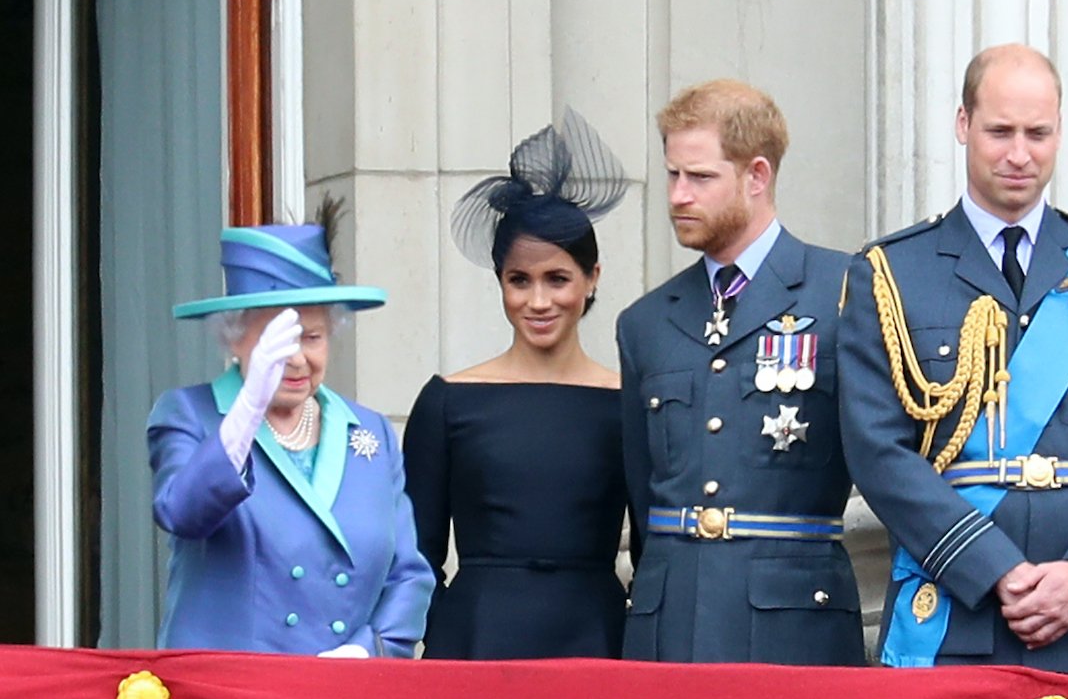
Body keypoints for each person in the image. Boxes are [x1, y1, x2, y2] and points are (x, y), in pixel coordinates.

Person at [839, 44, 1068, 672]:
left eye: (1037, 133)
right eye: (1000, 131)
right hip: (952, 610)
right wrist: (990, 566)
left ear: (1059, 131)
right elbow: (876, 450)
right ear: (963, 124)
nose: (1019, 154)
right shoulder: (892, 272)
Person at [616, 80, 864, 664]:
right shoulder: (645, 322)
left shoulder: (846, 291)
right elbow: (642, 490)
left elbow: (885, 460)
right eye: (673, 174)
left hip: (794, 623)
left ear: (757, 176)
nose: (678, 194)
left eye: (700, 177)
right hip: (670, 621)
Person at [149, 210, 434, 656]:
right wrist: (249, 406)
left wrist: (367, 651)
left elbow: (409, 575)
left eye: (312, 337)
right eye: (277, 342)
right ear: (233, 339)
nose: (297, 358)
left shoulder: (371, 432)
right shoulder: (191, 414)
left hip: (338, 695)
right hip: (228, 696)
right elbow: (182, 511)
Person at [403, 109, 631, 659]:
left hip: (599, 644)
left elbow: (654, 557)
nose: (538, 301)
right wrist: (441, 635)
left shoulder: (630, 404)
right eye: (519, 281)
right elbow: (416, 555)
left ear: (591, 278)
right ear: (500, 282)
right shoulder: (448, 401)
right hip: (475, 644)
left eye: (558, 279)